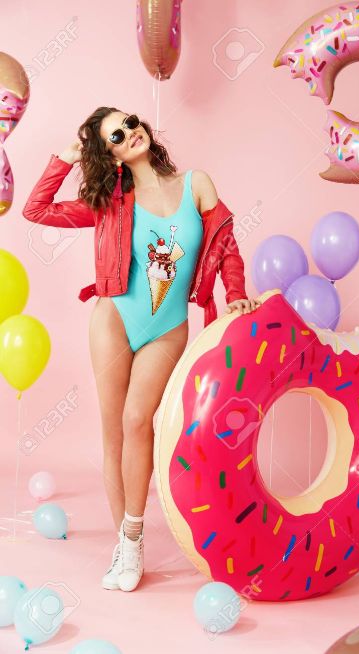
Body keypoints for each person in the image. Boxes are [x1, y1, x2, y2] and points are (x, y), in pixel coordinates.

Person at [22, 106, 260, 592]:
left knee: (138, 420)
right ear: (107, 154)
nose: (129, 133)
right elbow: (36, 209)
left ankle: (131, 530)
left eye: (130, 122)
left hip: (167, 328)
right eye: (115, 135)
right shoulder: (110, 200)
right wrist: (68, 155)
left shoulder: (197, 183)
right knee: (114, 431)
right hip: (113, 319)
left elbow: (226, 244)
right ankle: (128, 545)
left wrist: (235, 296)